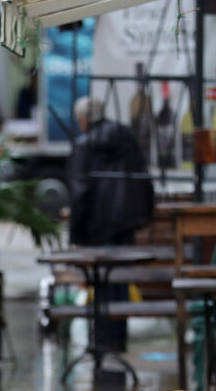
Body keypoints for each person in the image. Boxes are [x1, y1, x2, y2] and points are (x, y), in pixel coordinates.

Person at [65, 95, 155, 354]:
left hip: (96, 229)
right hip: (125, 226)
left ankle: (102, 342)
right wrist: (142, 217)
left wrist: (76, 233)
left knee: (101, 284)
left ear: (84, 119)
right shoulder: (126, 139)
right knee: (120, 283)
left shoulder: (84, 145)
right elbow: (143, 180)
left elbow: (79, 193)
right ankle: (118, 340)